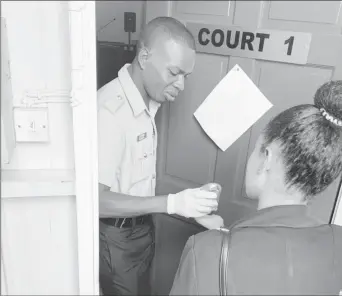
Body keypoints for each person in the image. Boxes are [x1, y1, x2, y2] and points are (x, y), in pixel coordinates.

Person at [170, 80, 342, 295]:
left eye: (255, 149)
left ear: (267, 158)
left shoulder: (204, 250)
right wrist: (222, 233)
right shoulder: (338, 242)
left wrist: (215, 243)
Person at [97, 17, 224, 296]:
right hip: (116, 239)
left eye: (185, 77)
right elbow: (95, 200)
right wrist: (172, 203)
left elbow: (136, 182)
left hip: (142, 228)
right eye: (173, 73)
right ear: (144, 57)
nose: (180, 85)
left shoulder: (149, 103)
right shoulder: (109, 113)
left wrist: (190, 209)